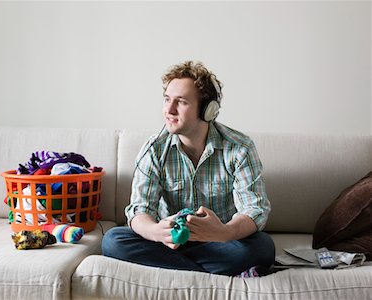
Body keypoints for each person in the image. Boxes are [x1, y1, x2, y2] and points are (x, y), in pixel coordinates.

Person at [102, 61, 275, 276]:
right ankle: (209, 272)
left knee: (263, 247)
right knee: (113, 241)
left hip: (220, 242)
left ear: (207, 110)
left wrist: (225, 231)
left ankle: (173, 269)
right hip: (168, 244)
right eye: (167, 99)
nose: (169, 110)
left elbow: (255, 209)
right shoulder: (154, 149)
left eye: (181, 102)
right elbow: (139, 210)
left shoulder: (239, 148)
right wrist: (156, 231)